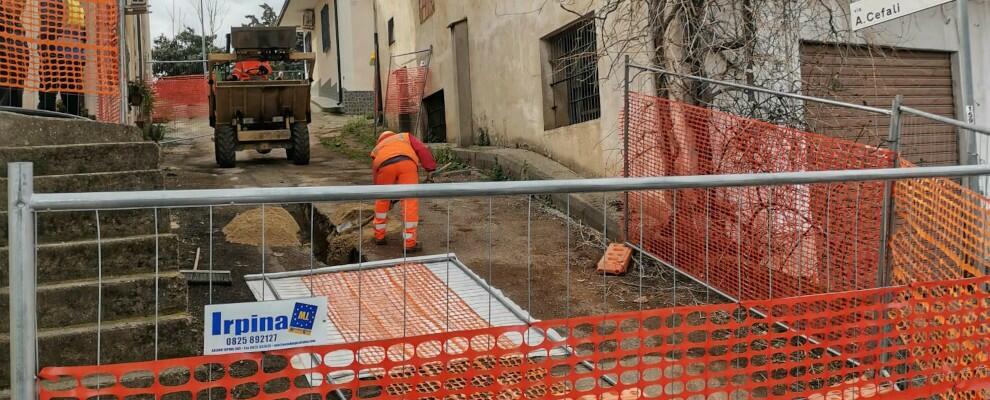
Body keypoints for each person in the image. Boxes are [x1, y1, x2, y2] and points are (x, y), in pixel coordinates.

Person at [370, 131, 437, 253]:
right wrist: (430, 168)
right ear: (393, 134)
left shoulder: (377, 148)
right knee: (409, 200)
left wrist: (380, 192)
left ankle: (379, 236)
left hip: (384, 166)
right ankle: (409, 243)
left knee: (381, 200)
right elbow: (422, 149)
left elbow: (375, 171)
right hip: (407, 164)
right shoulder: (405, 136)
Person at [38, 0, 86, 116]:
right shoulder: (52, 3)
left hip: (71, 56)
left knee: (70, 97)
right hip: (55, 52)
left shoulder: (75, 5)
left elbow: (82, 33)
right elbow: (48, 22)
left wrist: (82, 54)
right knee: (50, 94)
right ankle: (46, 121)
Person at [0, 0, 28, 107]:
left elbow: (24, 52)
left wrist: (24, 72)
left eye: (22, 2)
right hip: (3, 77)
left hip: (17, 80)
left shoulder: (20, 27)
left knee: (15, 113)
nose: (20, 5)